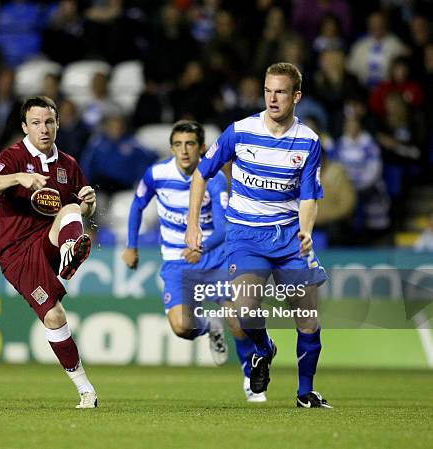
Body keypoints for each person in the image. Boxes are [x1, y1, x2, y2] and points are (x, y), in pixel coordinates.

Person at [186, 63, 331, 408]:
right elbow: (200, 175)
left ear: (296, 96)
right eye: (268, 90)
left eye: (280, 91)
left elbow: (309, 195)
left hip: (289, 239)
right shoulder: (239, 131)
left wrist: (306, 231)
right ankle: (263, 349)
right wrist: (193, 224)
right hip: (246, 236)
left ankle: (305, 392)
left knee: (308, 318)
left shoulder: (308, 142)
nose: (272, 98)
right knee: (246, 307)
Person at [123, 120, 266, 402]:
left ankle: (250, 377)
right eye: (178, 144)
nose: (184, 151)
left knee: (237, 321)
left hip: (214, 259)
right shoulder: (157, 173)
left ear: (201, 147)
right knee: (181, 327)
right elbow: (138, 204)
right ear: (171, 147)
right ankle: (209, 326)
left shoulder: (213, 178)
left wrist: (201, 246)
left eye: (190, 144)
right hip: (178, 263)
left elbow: (223, 228)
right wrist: (131, 245)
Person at [0, 95, 98, 409]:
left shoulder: (68, 164)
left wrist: (89, 201)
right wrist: (18, 177)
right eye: (35, 123)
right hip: (16, 251)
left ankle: (71, 250)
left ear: (57, 124)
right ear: (24, 126)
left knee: (72, 207)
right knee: (54, 315)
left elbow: (84, 208)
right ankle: (86, 388)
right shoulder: (14, 155)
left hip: (50, 240)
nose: (43, 129)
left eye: (48, 122)